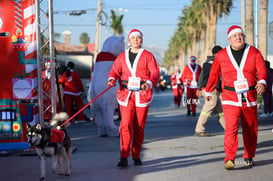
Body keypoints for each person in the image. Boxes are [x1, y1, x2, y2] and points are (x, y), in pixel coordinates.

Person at [205, 25, 267, 170]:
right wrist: (208, 91)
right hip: (230, 97)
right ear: (229, 39)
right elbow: (214, 74)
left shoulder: (253, 52)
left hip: (250, 97)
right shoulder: (221, 55)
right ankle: (230, 158)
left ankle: (248, 155)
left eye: (241, 35)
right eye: (235, 36)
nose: (239, 38)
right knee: (231, 128)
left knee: (250, 129)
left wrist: (262, 81)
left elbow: (261, 69)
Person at [107, 29, 159, 168]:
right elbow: (114, 71)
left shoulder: (148, 56)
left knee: (139, 126)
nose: (136, 40)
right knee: (125, 125)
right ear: (129, 40)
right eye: (133, 38)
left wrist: (149, 83)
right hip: (126, 94)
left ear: (141, 40)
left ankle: (136, 155)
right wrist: (112, 78)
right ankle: (124, 156)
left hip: (142, 94)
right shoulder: (121, 57)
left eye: (138, 38)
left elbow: (155, 73)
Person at [87, 36, 125, 137]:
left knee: (98, 108)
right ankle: (111, 128)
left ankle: (102, 128)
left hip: (95, 86)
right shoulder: (111, 59)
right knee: (108, 107)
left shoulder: (100, 58)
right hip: (106, 87)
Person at [194, 46, 225, 137]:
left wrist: (200, 88)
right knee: (208, 107)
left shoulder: (207, 62)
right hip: (212, 89)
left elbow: (201, 76)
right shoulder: (217, 62)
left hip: (206, 88)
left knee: (219, 111)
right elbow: (220, 77)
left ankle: (229, 129)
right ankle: (199, 129)